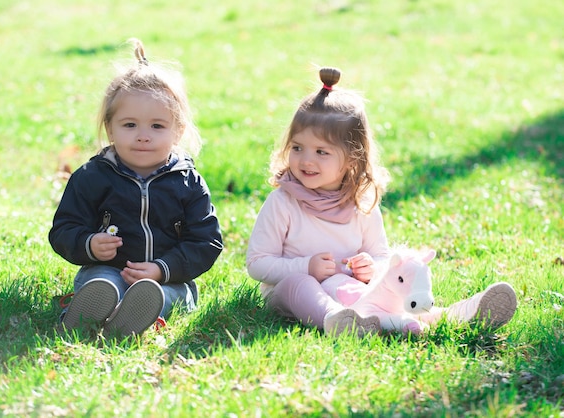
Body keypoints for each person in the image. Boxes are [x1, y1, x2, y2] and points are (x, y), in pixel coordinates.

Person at [246, 67, 517, 337]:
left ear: (352, 158)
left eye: (321, 152)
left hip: (352, 291)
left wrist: (372, 267)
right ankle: (336, 321)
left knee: (392, 282)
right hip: (293, 294)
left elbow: (381, 256)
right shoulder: (283, 202)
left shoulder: (360, 204)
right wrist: (305, 266)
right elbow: (257, 263)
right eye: (297, 148)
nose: (306, 160)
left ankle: (456, 314)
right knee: (302, 284)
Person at [49, 38, 223, 338]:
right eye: (130, 125)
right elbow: (64, 229)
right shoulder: (92, 176)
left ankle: (137, 313)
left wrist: (162, 268)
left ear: (178, 130)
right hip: (106, 271)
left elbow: (206, 242)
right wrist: (89, 243)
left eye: (157, 126)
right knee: (104, 284)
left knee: (167, 296)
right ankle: (88, 310)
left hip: (169, 279)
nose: (143, 136)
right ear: (110, 128)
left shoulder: (187, 181)